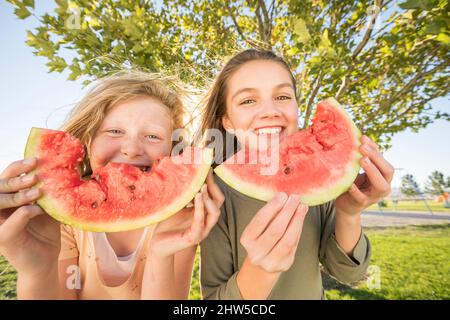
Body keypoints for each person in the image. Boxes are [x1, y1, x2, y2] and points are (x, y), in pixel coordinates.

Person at [0, 70, 224, 299]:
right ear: (89, 141)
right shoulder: (63, 222)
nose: (131, 148)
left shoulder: (178, 218)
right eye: (114, 131)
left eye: (153, 136)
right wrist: (37, 272)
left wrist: (160, 254)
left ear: (172, 150)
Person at [198, 49, 394, 299]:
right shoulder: (215, 196)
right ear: (227, 121)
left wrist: (349, 212)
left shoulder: (320, 177)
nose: (270, 111)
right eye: (248, 100)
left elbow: (349, 275)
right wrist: (258, 271)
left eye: (282, 96)